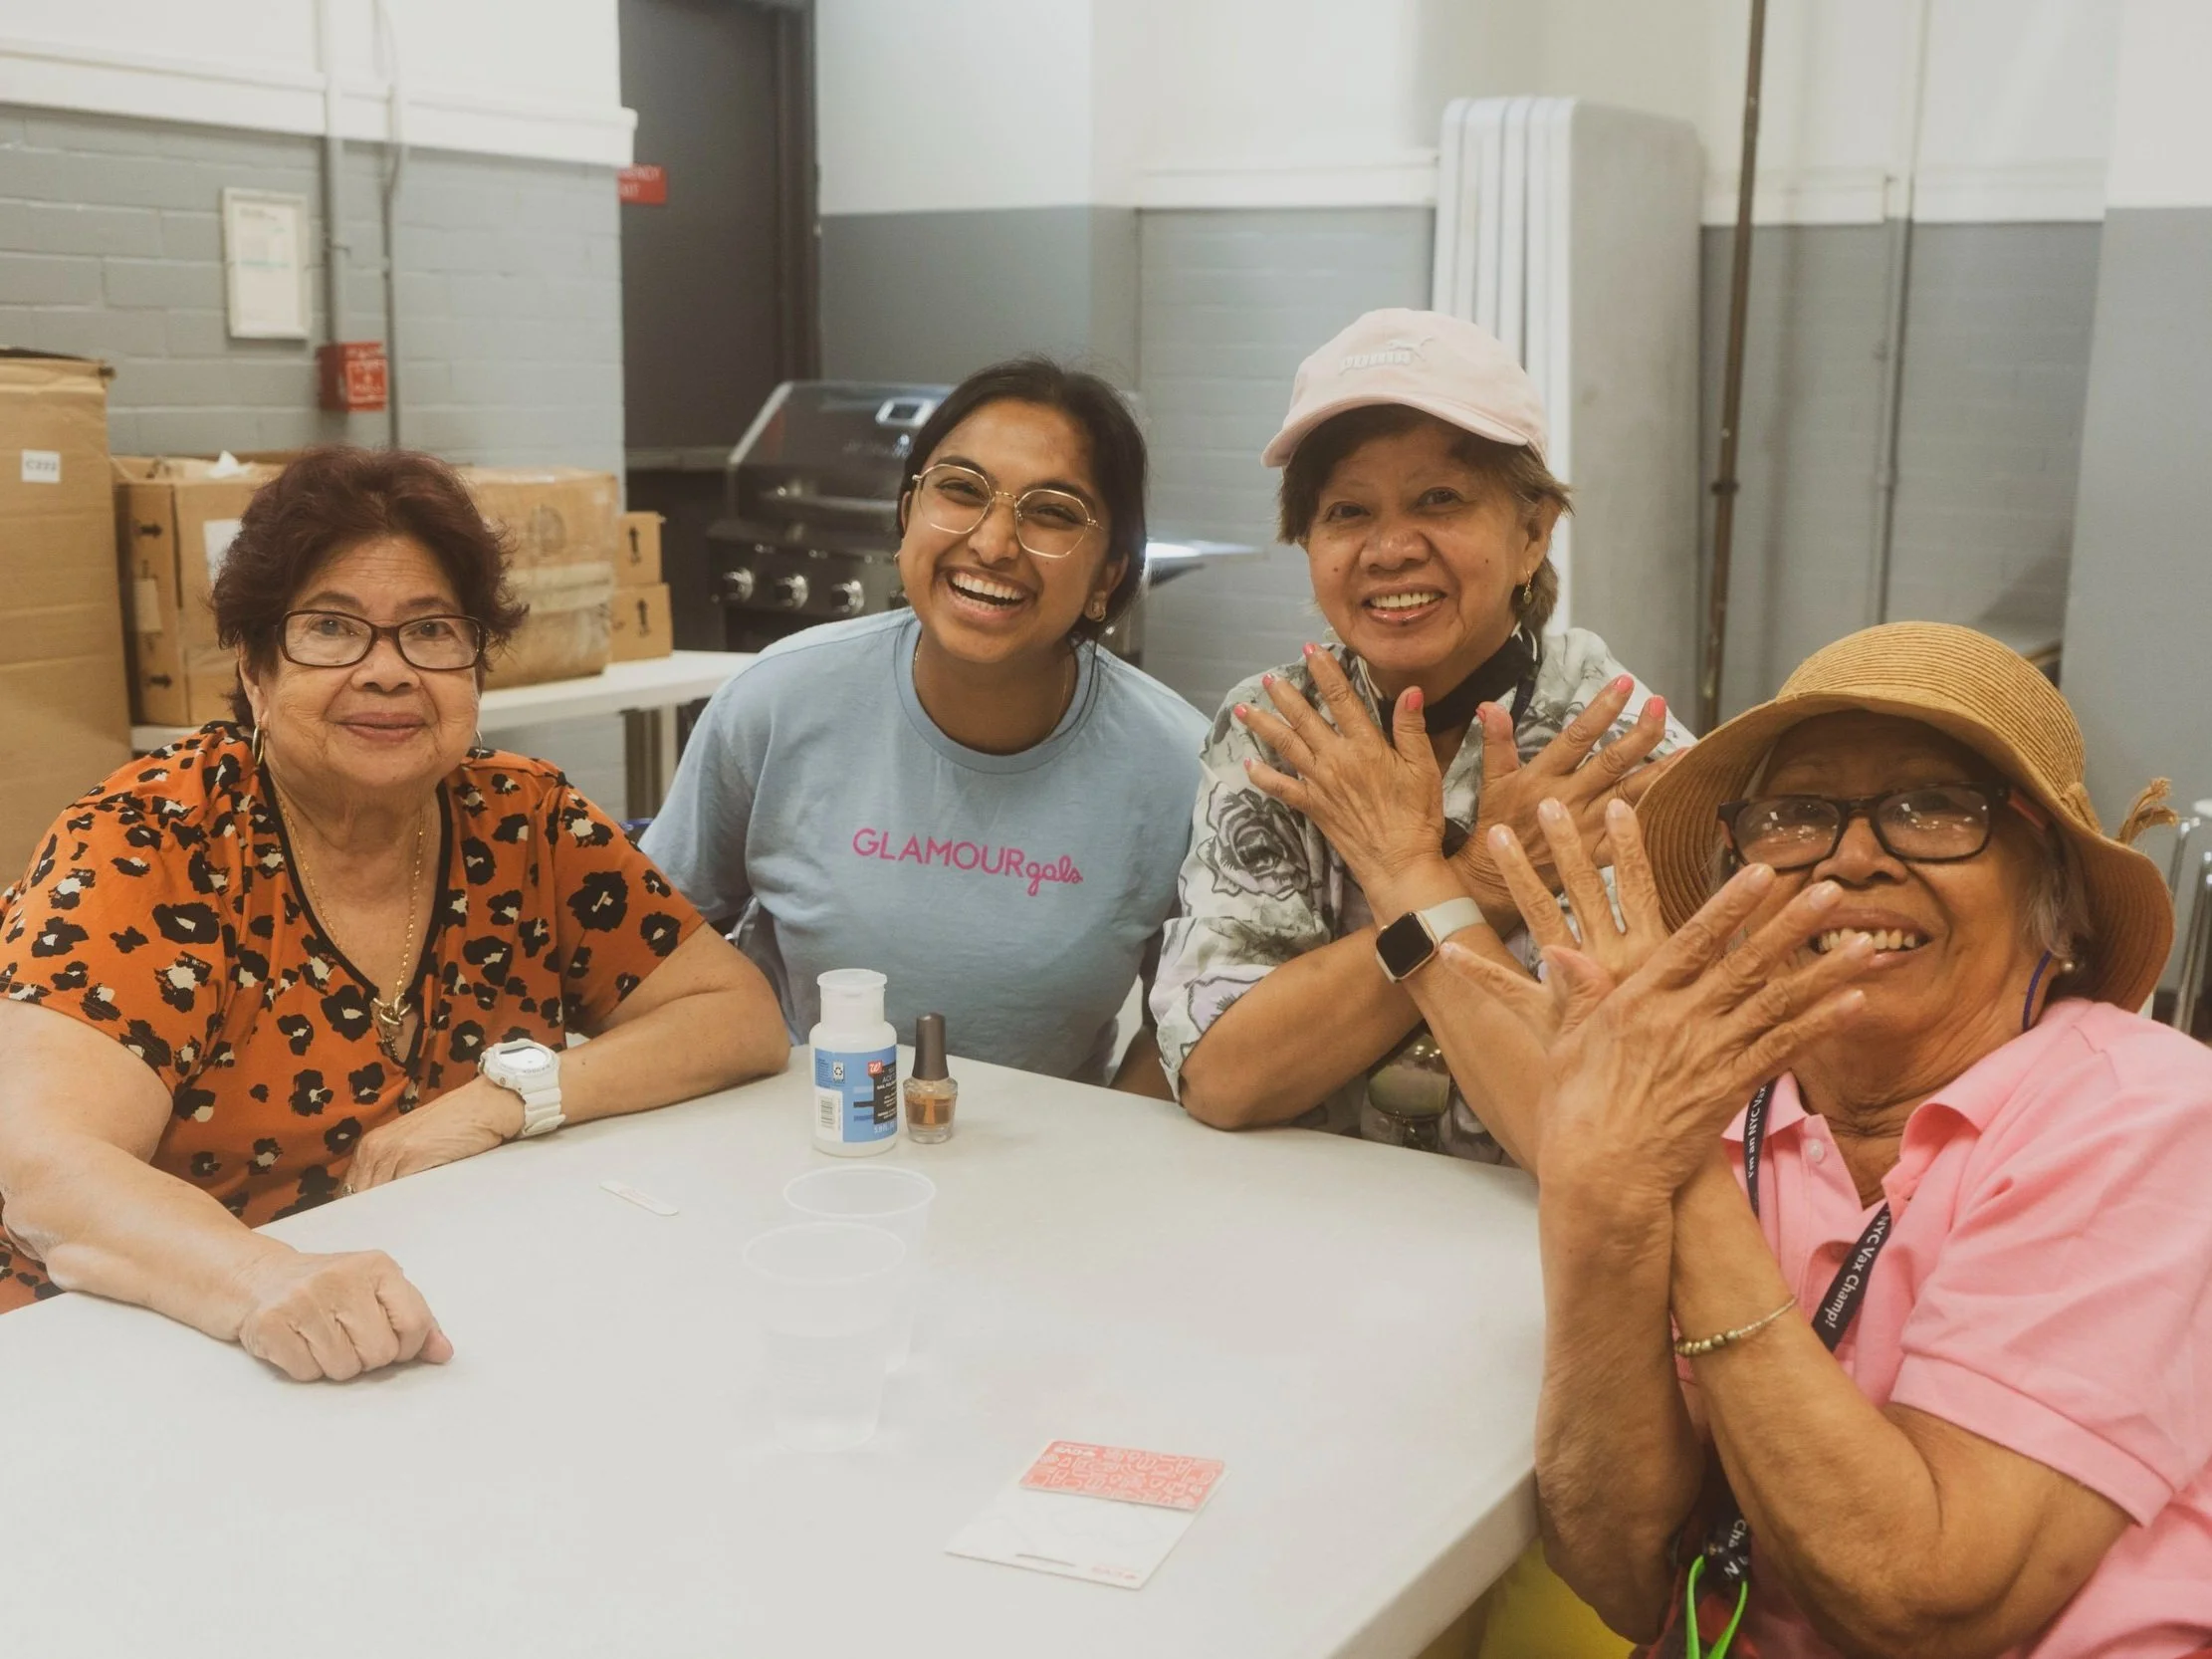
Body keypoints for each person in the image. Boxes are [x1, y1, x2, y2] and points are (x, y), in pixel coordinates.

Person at [1444, 622, 2212, 1655]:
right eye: (1796, 815)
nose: (1851, 857)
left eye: (1933, 808)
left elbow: (1925, 1597)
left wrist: (1661, 1154)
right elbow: (1621, 1570)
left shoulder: (2145, 1112)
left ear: (2058, 902)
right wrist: (1602, 1176)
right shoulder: (1722, 1104)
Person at [0, 446, 788, 1379]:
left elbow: (736, 1016)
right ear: (254, 667)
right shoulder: (155, 841)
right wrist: (261, 1282)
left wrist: (512, 1099)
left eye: (432, 633)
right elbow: (43, 1164)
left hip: (426, 1312)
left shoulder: (523, 820)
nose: (389, 672)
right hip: (134, 1344)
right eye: (331, 630)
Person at [1152, 307, 1690, 1158]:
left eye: (1441, 500)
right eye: (1347, 512)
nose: (1391, 548)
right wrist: (1475, 884)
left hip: (1531, 1242)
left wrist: (1408, 889)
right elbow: (1225, 1076)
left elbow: (1591, 1131)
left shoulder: (1616, 750)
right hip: (1302, 1219)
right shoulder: (1278, 731)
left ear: (1533, 533)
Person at [644, 358, 1205, 1089]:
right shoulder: (778, 702)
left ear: (1108, 575)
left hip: (1051, 1172)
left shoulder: (1179, 766)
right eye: (962, 491)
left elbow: (1192, 1024)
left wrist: (1103, 1153)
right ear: (909, 514)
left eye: (1053, 512)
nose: (995, 543)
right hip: (797, 1147)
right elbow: (645, 938)